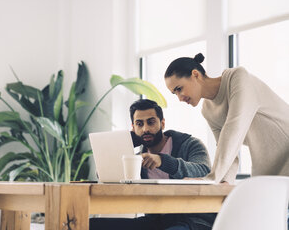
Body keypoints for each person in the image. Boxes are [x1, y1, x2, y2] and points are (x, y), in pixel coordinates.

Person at [90, 99, 215, 230]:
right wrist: (125, 144)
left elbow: (205, 172)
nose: (146, 129)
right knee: (90, 225)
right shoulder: (137, 160)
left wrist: (163, 161)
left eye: (151, 122)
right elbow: (108, 176)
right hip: (157, 221)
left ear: (162, 123)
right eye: (139, 124)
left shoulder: (190, 144)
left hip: (192, 220)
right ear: (133, 127)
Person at [164, 53, 289, 184]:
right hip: (269, 167)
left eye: (179, 89)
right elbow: (228, 152)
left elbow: (234, 128)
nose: (179, 98)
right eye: (175, 93)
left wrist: (211, 179)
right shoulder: (208, 110)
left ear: (195, 75)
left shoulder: (238, 78)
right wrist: (223, 182)